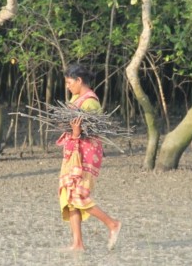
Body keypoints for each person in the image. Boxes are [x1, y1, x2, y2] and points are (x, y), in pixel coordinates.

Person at [57, 64, 121, 251]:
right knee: (69, 196)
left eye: (70, 83)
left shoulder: (90, 102)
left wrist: (75, 132)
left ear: (79, 81)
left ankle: (112, 224)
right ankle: (78, 243)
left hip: (84, 156)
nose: (68, 86)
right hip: (72, 153)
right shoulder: (76, 97)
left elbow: (89, 133)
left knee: (79, 195)